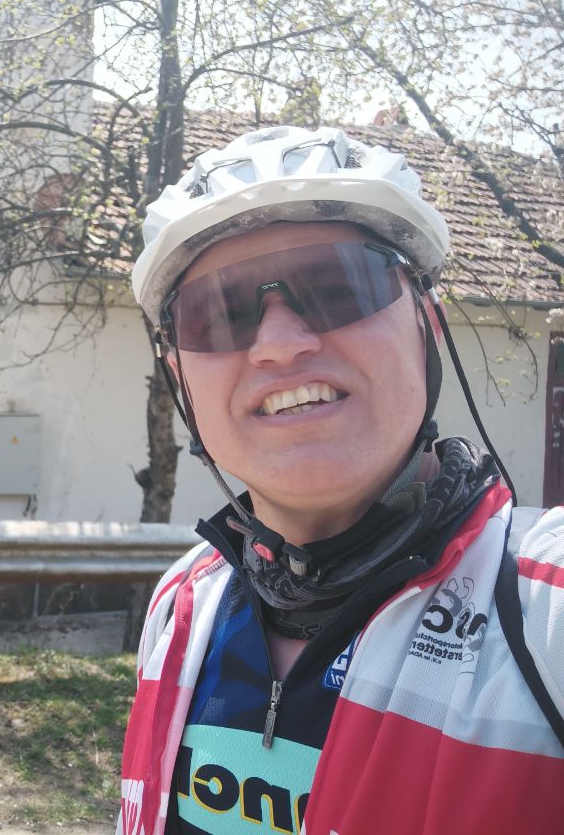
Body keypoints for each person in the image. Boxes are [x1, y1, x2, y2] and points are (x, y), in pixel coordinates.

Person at [118, 126, 564, 835]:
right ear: (181, 378)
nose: (279, 344)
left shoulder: (547, 612)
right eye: (219, 314)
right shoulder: (183, 602)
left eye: (337, 288)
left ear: (427, 326)